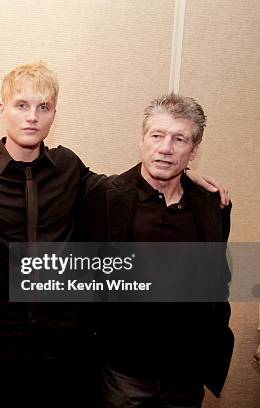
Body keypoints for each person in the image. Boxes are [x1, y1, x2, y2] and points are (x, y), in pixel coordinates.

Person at [0, 63, 230, 407]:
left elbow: (123, 187)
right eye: (21, 105)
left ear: (55, 114)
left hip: (70, 348)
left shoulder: (69, 167)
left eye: (44, 107)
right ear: (1, 109)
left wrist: (181, 174)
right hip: (2, 348)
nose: (32, 116)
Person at [78, 93, 233, 408]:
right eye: (157, 135)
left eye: (179, 139)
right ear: (142, 139)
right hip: (124, 374)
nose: (165, 148)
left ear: (193, 150)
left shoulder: (212, 205)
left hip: (186, 376)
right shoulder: (104, 197)